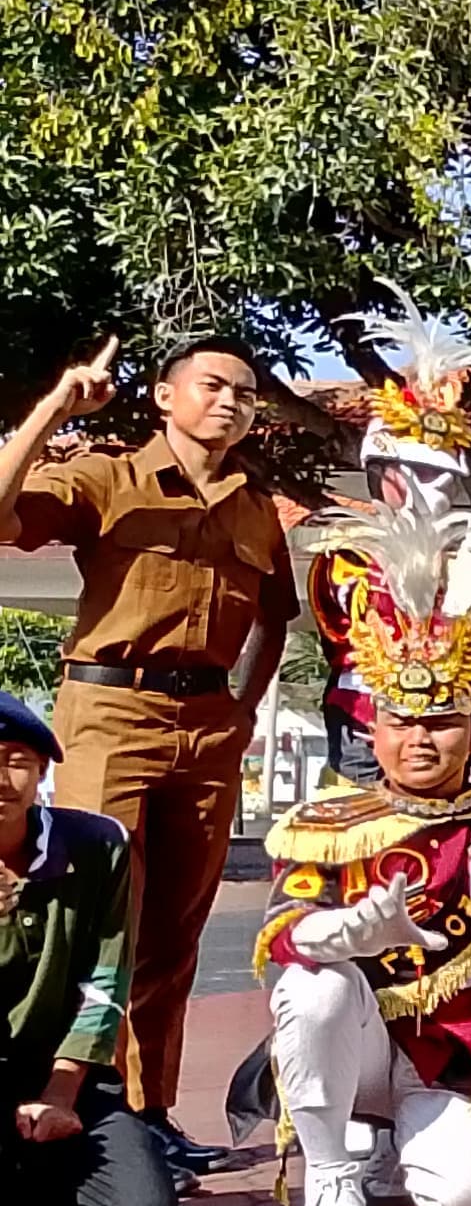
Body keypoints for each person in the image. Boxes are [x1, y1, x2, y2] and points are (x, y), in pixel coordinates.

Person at [0, 336, 295, 1146]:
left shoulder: (256, 506)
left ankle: (148, 1116)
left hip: (207, 725)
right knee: (99, 915)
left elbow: (274, 619)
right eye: (211, 385)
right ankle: (73, 1106)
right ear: (166, 397)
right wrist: (53, 411)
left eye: (244, 390)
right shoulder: (107, 477)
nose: (230, 401)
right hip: (109, 716)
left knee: (175, 930)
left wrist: (244, 708)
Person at [260, 496, 471, 1206]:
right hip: (357, 1039)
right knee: (312, 985)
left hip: (446, 1056)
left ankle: (404, 1144)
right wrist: (342, 932)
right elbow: (285, 930)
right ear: (371, 727)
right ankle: (330, 1169)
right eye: (403, 721)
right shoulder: (326, 824)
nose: (421, 738)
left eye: (442, 721)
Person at [0, 691, 174, 1206]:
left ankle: (30, 1179)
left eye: (16, 758)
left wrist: (61, 1093)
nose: (1, 777)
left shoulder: (98, 846)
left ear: (43, 769)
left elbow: (107, 978)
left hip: (60, 1076)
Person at [314, 299, 471, 788]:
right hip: (363, 717)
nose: (419, 486)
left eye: (434, 474)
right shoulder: (344, 554)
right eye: (405, 471)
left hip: (447, 721)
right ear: (378, 474)